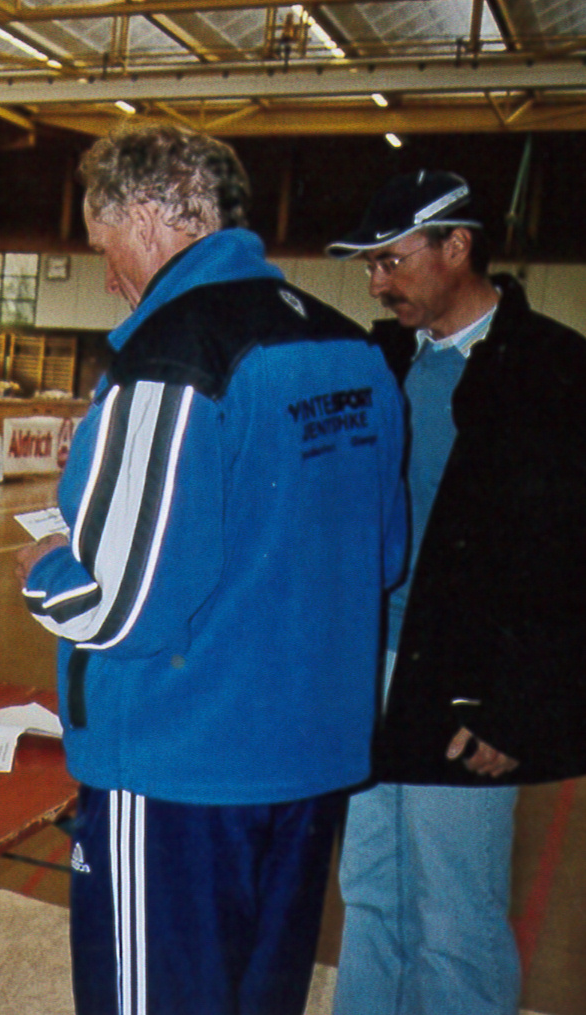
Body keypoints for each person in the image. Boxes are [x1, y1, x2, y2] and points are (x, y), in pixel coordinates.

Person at [15, 123, 406, 1015]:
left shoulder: (170, 358)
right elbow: (382, 558)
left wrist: (46, 568)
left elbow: (117, 605)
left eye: (104, 245)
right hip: (306, 768)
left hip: (178, 773)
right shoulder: (354, 350)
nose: (108, 276)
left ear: (149, 219)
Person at [325, 170, 586, 1015]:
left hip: (468, 681)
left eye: (392, 261)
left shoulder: (553, 368)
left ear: (457, 246)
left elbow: (569, 564)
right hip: (372, 667)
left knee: (456, 912)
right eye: (370, 266)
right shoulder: (382, 362)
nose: (377, 283)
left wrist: (519, 706)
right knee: (370, 889)